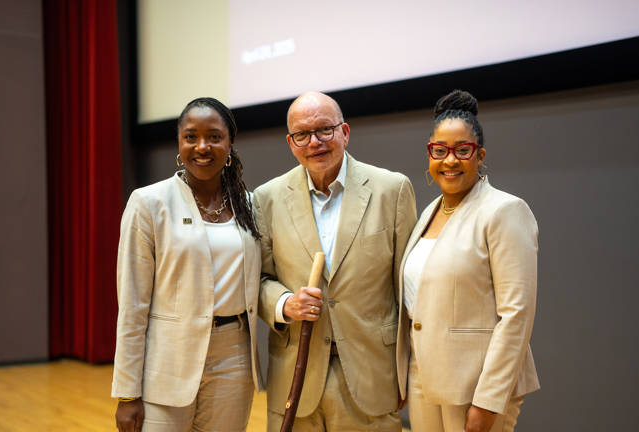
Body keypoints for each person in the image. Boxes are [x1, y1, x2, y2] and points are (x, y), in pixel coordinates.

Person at [253, 91, 417, 431]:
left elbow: (409, 289)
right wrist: (285, 303)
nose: (314, 142)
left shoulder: (392, 190)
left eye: (324, 130)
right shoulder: (266, 198)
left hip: (372, 377)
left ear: (345, 132)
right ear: (290, 142)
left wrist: (409, 371)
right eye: (302, 134)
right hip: (295, 380)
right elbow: (258, 281)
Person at [111, 97, 262, 432]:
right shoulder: (149, 203)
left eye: (214, 136)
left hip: (234, 357)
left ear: (230, 144)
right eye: (191, 136)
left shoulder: (250, 205)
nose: (202, 146)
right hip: (168, 360)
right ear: (179, 144)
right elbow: (132, 305)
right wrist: (126, 392)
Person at [395, 89, 540, 432]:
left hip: (475, 385)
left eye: (462, 150)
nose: (449, 160)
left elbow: (516, 314)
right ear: (429, 154)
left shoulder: (504, 211)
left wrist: (488, 401)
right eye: (440, 151)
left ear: (480, 155)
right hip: (424, 376)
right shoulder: (429, 212)